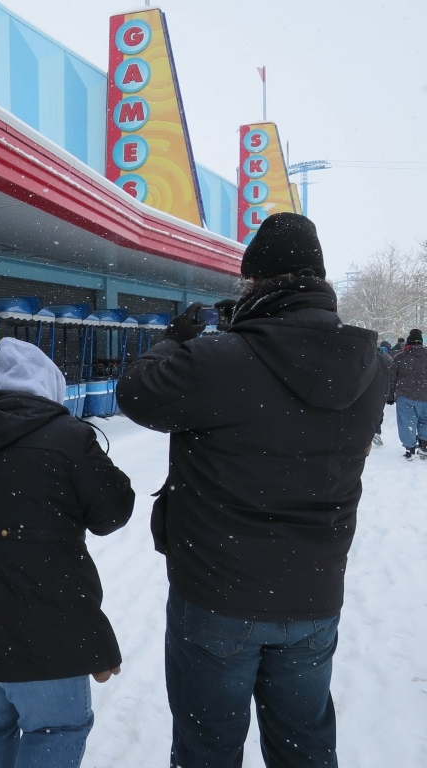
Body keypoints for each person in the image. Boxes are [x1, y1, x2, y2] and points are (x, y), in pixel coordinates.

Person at [116, 212, 387, 768]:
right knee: (304, 743)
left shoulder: (217, 361)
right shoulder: (370, 367)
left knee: (207, 747)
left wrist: (172, 343)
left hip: (218, 594)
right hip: (313, 595)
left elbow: (136, 394)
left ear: (253, 282)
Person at [0, 337, 135, 768]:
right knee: (56, 729)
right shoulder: (70, 437)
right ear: (50, 387)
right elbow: (113, 513)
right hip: (46, 624)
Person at [387, 328, 427, 460]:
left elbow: (392, 378)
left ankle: (410, 449)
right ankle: (424, 445)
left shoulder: (400, 357)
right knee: (425, 421)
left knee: (407, 422)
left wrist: (390, 396)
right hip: (425, 395)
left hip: (405, 396)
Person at [374, 342, 394, 446]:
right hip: (382, 385)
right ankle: (376, 429)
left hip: (367, 385)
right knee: (378, 408)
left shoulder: (365, 353)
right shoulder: (387, 357)